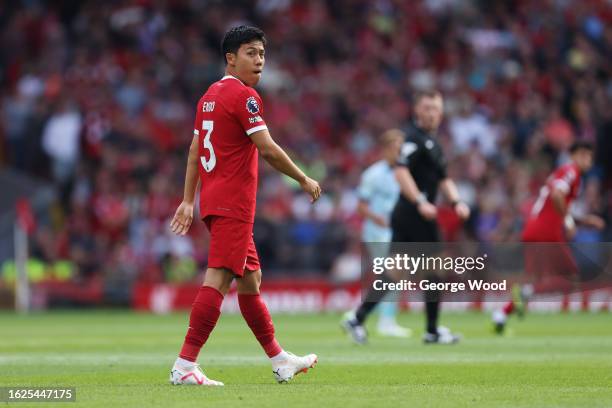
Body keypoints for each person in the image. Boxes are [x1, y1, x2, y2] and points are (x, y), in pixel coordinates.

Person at [168, 25, 321, 386]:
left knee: (251, 280)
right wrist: (302, 178)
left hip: (216, 200)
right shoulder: (244, 97)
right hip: (233, 203)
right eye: (251, 53)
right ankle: (185, 364)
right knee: (219, 278)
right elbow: (266, 148)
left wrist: (189, 199)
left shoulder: (208, 96)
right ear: (230, 58)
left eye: (262, 54)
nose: (259, 60)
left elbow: (194, 152)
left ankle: (280, 359)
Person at [342, 90, 470, 344]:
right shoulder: (413, 139)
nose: (432, 113)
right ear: (417, 111)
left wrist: (456, 201)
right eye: (427, 108)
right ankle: (432, 330)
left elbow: (443, 178)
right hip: (414, 214)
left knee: (396, 271)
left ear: (441, 113)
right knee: (435, 269)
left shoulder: (433, 143)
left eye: (435, 108)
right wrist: (421, 201)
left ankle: (357, 319)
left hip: (408, 214)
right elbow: (401, 172)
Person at [492, 141, 605, 334]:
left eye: (590, 156)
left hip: (535, 230)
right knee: (570, 275)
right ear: (573, 156)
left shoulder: (567, 174)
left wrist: (583, 220)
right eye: (583, 155)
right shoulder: (571, 171)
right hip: (546, 232)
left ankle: (502, 314)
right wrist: (568, 221)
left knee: (539, 280)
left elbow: (555, 205)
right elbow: (556, 196)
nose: (588, 160)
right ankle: (525, 293)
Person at [341, 129, 411, 343]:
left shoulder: (403, 172)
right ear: (386, 148)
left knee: (394, 276)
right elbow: (361, 207)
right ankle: (384, 322)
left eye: (401, 147)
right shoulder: (373, 175)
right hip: (377, 232)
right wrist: (376, 217)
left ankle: (357, 316)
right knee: (391, 275)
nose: (399, 151)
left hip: (396, 231)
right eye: (395, 147)